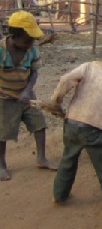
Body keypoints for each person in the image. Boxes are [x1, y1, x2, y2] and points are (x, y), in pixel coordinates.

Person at [50, 34, 102, 229]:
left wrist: (56, 102)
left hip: (71, 124)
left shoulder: (88, 67)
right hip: (95, 132)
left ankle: (59, 195)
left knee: (68, 160)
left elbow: (66, 80)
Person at [0, 10, 57, 181]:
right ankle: (1, 165)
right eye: (27, 39)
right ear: (15, 35)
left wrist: (26, 91)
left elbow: (34, 73)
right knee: (3, 132)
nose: (31, 43)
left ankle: (41, 158)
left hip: (26, 94)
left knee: (39, 124)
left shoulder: (32, 50)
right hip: (5, 99)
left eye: (33, 39)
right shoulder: (1, 50)